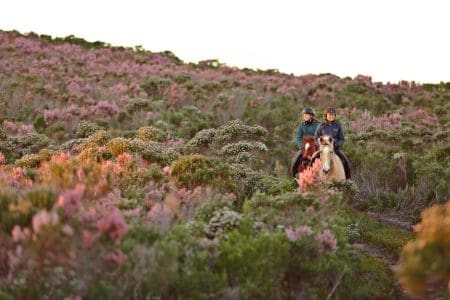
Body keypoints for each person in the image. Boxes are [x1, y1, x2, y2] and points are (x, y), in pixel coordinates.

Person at [314, 107, 351, 179]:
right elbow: (316, 137)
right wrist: (320, 145)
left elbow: (342, 139)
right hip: (323, 149)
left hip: (335, 149)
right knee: (313, 158)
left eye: (333, 115)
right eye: (329, 115)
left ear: (335, 116)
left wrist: (335, 145)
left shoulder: (338, 126)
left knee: (345, 160)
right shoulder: (321, 126)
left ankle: (348, 178)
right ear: (326, 116)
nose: (331, 116)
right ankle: (310, 177)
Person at [291, 107, 320, 176]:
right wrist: (301, 146)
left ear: (311, 116)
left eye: (306, 115)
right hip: (305, 146)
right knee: (298, 157)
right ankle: (294, 171)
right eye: (304, 115)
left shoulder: (318, 125)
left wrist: (318, 144)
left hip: (315, 145)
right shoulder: (302, 125)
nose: (305, 116)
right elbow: (298, 137)